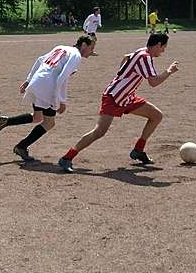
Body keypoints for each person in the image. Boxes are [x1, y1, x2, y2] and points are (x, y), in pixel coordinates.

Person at [57, 33, 179, 172]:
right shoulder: (145, 57)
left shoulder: (141, 51)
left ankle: (138, 150)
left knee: (156, 116)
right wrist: (169, 71)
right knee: (99, 131)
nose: (163, 51)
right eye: (163, 47)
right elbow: (153, 82)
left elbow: (126, 56)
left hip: (127, 97)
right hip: (114, 97)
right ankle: (67, 158)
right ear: (158, 45)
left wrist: (122, 74)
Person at [0, 36, 94, 162]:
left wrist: (28, 80)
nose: (92, 51)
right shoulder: (76, 55)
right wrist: (61, 101)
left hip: (37, 81)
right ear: (83, 45)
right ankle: (21, 146)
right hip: (47, 87)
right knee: (49, 123)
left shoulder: (61, 47)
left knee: (37, 118)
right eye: (91, 47)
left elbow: (40, 60)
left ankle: (7, 121)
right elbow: (62, 78)